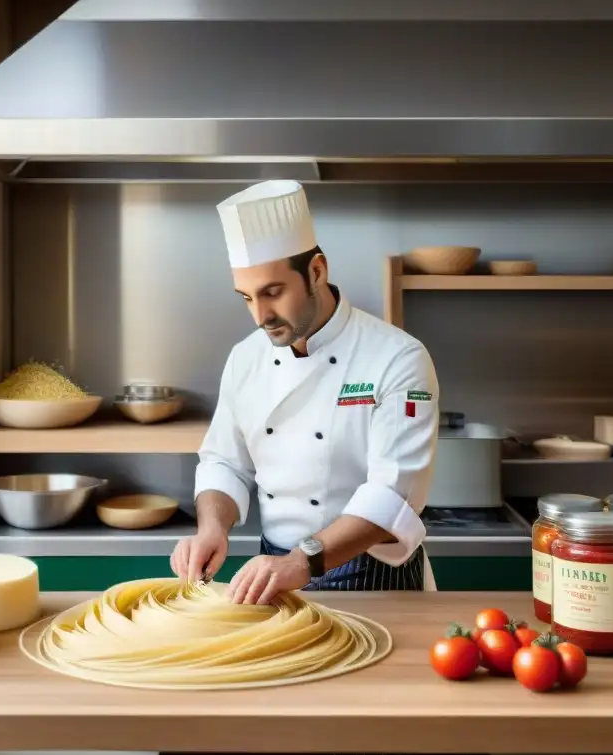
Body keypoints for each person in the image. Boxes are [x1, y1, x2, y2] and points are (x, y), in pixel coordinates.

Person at [171, 179, 440, 602]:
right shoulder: (246, 358)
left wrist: (301, 561)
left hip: (371, 579)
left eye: (273, 293)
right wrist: (212, 528)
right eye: (246, 297)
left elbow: (393, 496)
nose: (260, 315)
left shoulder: (397, 357)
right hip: (272, 574)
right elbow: (224, 462)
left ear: (316, 271)